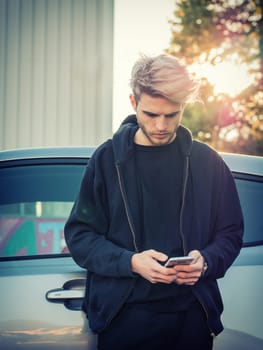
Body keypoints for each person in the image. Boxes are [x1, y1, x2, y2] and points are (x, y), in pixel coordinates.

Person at [64, 54, 244, 350]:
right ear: (133, 104)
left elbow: (231, 232)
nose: (161, 125)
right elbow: (80, 236)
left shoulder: (207, 162)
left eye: (171, 115)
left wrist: (207, 261)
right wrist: (131, 262)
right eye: (150, 114)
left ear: (183, 107)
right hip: (123, 318)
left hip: (192, 319)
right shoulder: (107, 160)